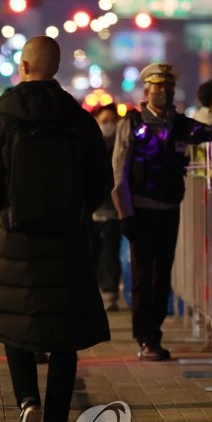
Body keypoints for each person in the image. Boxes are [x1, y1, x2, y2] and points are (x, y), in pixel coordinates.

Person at [0, 35, 110, 422]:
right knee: (65, 335)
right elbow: (100, 180)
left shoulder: (1, 117)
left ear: (24, 66)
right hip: (68, 238)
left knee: (15, 321)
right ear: (56, 68)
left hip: (18, 236)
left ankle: (27, 401)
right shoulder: (78, 118)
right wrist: (79, 210)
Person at [112, 63, 212, 362]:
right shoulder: (133, 123)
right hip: (140, 212)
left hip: (169, 211)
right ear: (146, 90)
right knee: (141, 277)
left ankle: (155, 334)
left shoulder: (181, 124)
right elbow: (119, 171)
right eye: (158, 86)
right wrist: (125, 214)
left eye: (167, 87)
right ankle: (144, 337)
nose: (163, 92)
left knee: (162, 277)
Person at [90, 103, 122, 311]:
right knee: (92, 253)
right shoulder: (89, 143)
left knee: (110, 253)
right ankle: (91, 294)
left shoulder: (122, 145)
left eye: (112, 121)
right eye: (104, 121)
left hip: (114, 210)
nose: (108, 125)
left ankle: (110, 294)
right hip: (91, 210)